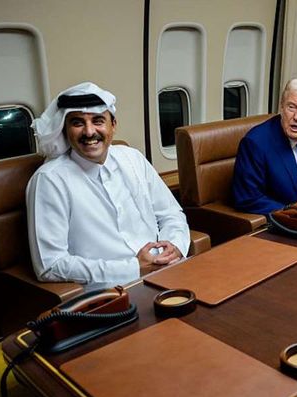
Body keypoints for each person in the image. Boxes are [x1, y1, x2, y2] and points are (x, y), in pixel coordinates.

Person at [26, 82, 190, 286]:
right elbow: (50, 265)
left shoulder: (133, 158)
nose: (89, 132)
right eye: (78, 123)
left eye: (98, 121)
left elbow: (171, 214)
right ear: (65, 130)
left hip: (167, 269)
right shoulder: (50, 180)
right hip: (113, 290)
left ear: (113, 125)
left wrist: (174, 246)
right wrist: (134, 268)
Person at [232, 78, 297, 214]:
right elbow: (248, 199)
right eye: (291, 107)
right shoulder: (256, 143)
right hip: (286, 224)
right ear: (281, 107)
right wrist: (296, 214)